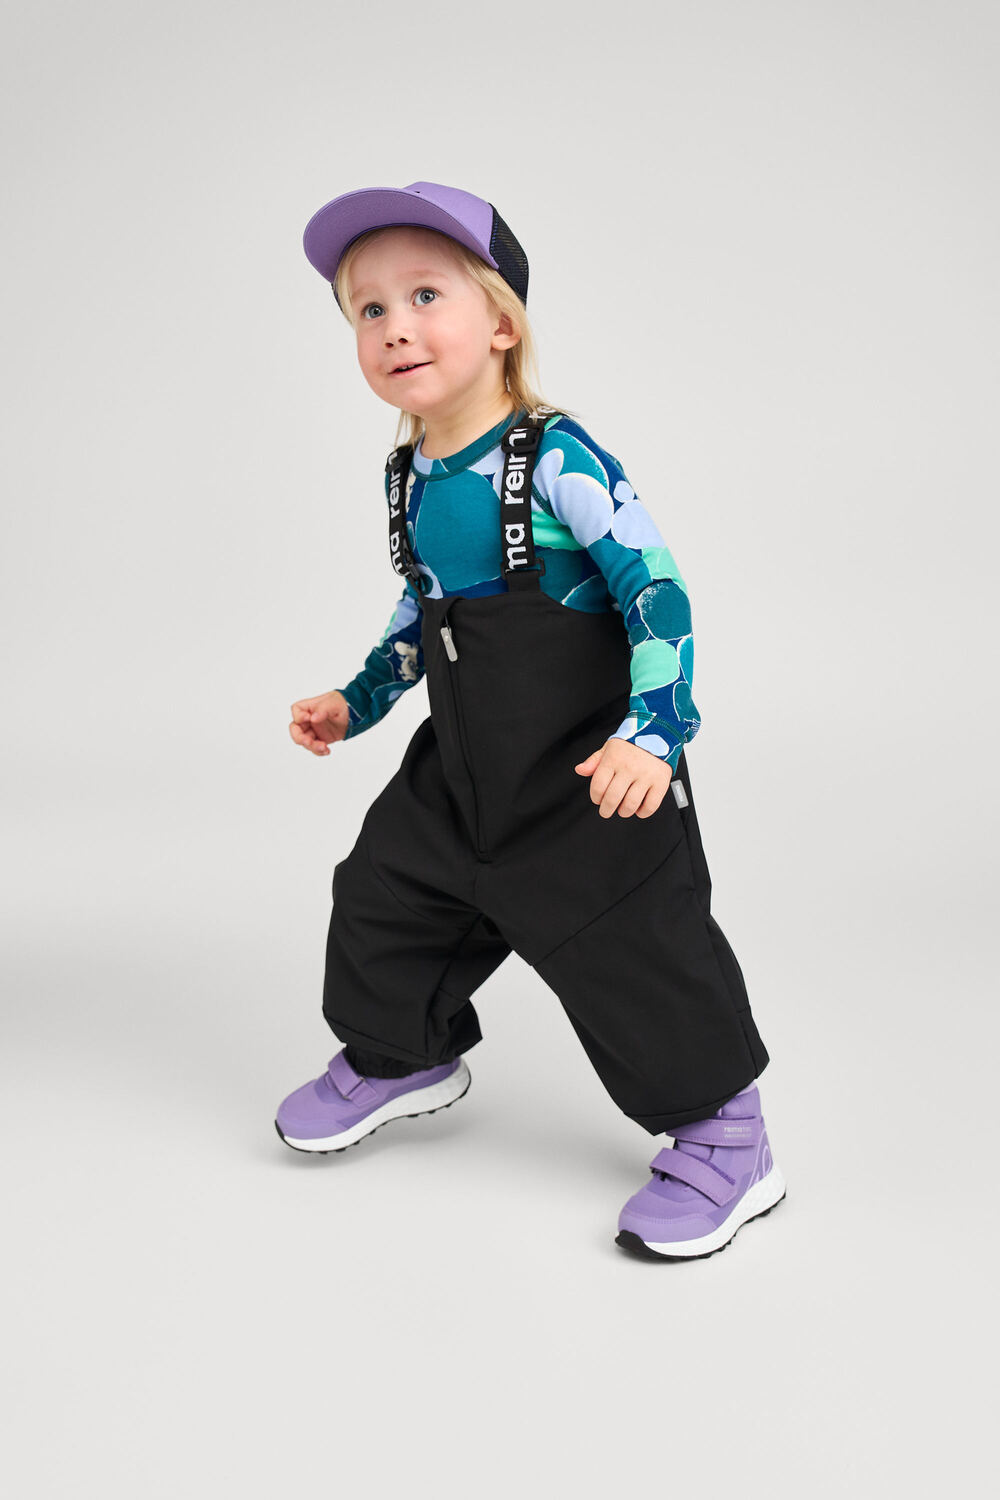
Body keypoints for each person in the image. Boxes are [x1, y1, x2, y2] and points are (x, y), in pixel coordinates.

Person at [275, 180, 787, 1260]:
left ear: (502, 323)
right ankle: (402, 1053)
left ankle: (727, 1135)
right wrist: (357, 700)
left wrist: (654, 734)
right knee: (383, 895)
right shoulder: (411, 476)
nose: (395, 326)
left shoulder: (555, 456)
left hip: (590, 772)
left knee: (635, 945)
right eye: (369, 309)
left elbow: (656, 590)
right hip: (464, 765)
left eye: (425, 295)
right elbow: (422, 613)